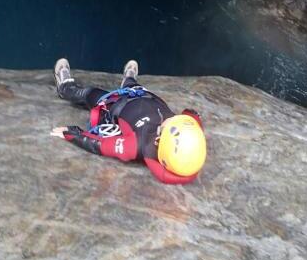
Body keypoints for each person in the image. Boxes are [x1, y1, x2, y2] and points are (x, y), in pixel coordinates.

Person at [50, 58, 207, 184]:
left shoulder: (135, 146)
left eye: (171, 124)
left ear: (160, 140)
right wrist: (190, 115)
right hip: (143, 95)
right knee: (134, 86)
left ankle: (65, 88)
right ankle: (129, 81)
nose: (174, 118)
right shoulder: (186, 135)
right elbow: (192, 121)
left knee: (88, 94)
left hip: (114, 105)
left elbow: (100, 145)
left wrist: (73, 134)